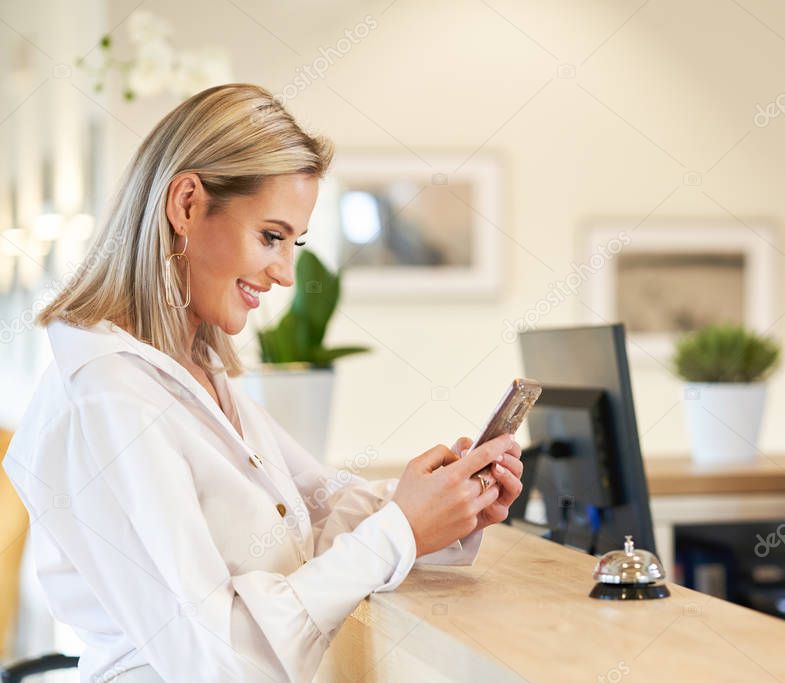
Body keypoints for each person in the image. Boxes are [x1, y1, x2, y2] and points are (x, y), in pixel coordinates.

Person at [3, 84, 524, 682]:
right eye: (271, 237)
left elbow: (313, 511)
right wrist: (402, 528)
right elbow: (216, 659)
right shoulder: (108, 397)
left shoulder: (199, 371)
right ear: (187, 204)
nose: (283, 272)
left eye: (293, 243)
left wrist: (446, 502)